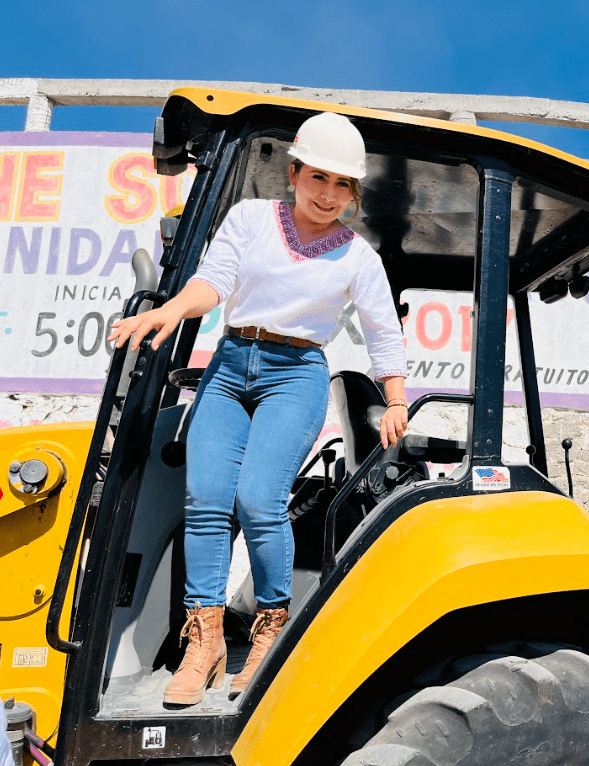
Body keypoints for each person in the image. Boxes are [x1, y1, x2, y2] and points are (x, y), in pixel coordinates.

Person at [109, 112, 408, 706]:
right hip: (230, 363)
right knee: (207, 500)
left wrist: (396, 397)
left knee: (258, 500)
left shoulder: (357, 257)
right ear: (293, 173)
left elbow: (383, 333)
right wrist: (172, 310)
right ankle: (206, 642)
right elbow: (214, 281)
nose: (327, 194)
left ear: (353, 193)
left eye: (342, 184)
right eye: (317, 177)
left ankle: (272, 630)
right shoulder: (249, 219)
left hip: (295, 374)